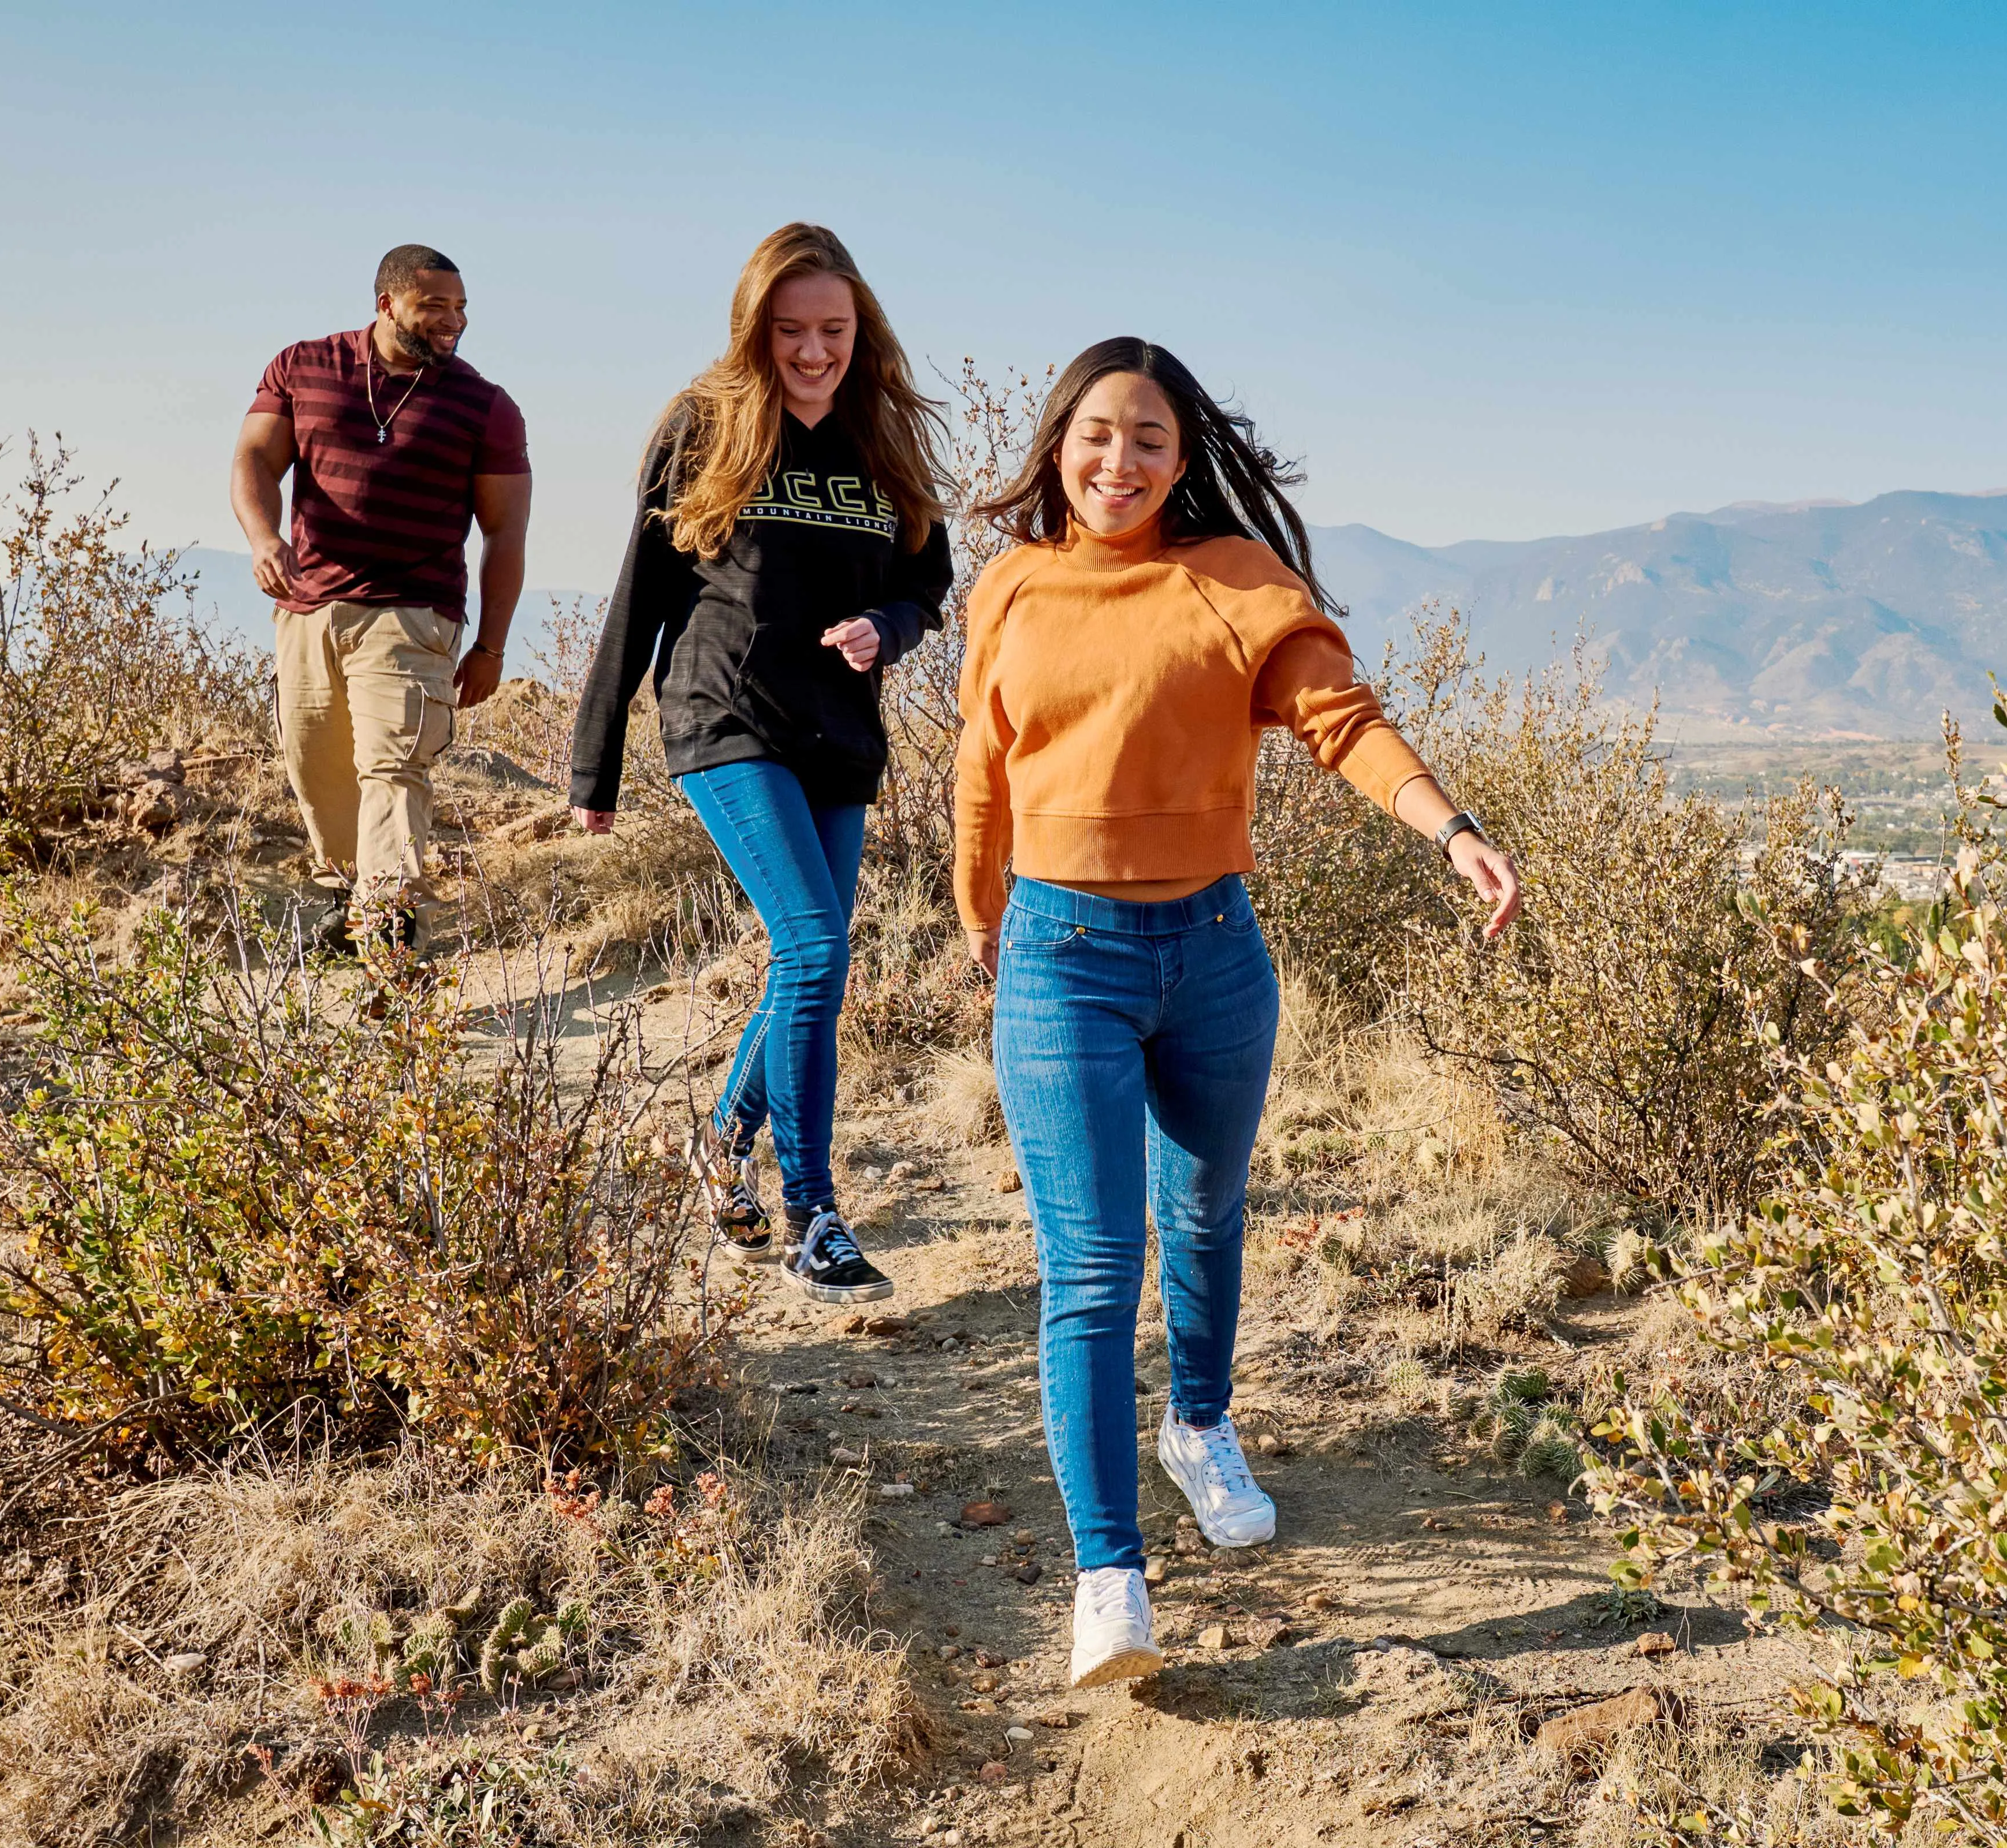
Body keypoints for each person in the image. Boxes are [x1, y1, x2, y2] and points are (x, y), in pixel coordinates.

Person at [956, 338, 1524, 1687]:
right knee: (1093, 1263)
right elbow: (981, 763)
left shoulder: (1236, 584)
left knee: (1206, 1210)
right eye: (1097, 434)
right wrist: (976, 912)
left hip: (1210, 951)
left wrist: (1449, 828)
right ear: (1056, 446)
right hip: (1059, 953)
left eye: (1148, 437)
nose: (1119, 461)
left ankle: (1196, 1424)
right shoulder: (1013, 586)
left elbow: (1341, 718)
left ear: (1180, 452)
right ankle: (1110, 1578)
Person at [571, 223, 952, 1304]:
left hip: (837, 730)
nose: (814, 352)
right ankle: (814, 1214)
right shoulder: (705, 428)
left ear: (860, 327)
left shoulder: (884, 441)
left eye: (832, 329)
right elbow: (639, 585)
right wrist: (594, 764)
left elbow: (929, 582)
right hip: (724, 713)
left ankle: (719, 1142)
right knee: (816, 945)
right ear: (757, 330)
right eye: (792, 331)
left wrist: (890, 624)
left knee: (812, 971)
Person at [231, 243, 531, 955]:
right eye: (436, 307)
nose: (453, 320)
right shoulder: (304, 367)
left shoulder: (485, 406)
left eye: (460, 308)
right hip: (307, 606)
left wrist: (490, 645)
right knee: (315, 768)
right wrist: (263, 539)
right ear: (387, 303)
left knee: (395, 768)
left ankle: (391, 940)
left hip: (414, 613)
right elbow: (253, 458)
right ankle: (350, 893)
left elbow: (505, 532)